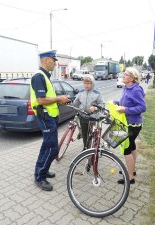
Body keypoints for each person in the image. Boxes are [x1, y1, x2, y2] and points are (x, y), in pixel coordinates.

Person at [30, 50, 69, 191]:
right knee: (53, 148)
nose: (55, 62)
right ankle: (40, 177)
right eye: (53, 60)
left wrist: (59, 101)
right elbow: (41, 100)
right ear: (46, 60)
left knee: (47, 145)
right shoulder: (39, 77)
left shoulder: (45, 76)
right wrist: (59, 99)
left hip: (50, 116)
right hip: (45, 116)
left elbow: (48, 98)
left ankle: (42, 171)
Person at [112, 67, 146, 185]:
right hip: (128, 123)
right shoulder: (127, 88)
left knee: (126, 149)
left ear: (132, 77)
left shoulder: (136, 90)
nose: (123, 76)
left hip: (133, 124)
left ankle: (130, 177)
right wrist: (116, 103)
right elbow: (124, 102)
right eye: (124, 74)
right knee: (132, 146)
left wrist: (125, 109)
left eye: (126, 74)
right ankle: (133, 170)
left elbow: (142, 107)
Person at [71, 75, 104, 149]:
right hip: (82, 116)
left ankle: (93, 148)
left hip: (92, 117)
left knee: (92, 134)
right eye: (85, 83)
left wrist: (95, 108)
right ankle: (85, 147)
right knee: (84, 134)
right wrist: (69, 103)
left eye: (88, 83)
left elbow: (102, 104)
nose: (86, 85)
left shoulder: (97, 93)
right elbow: (76, 103)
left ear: (92, 84)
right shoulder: (80, 93)